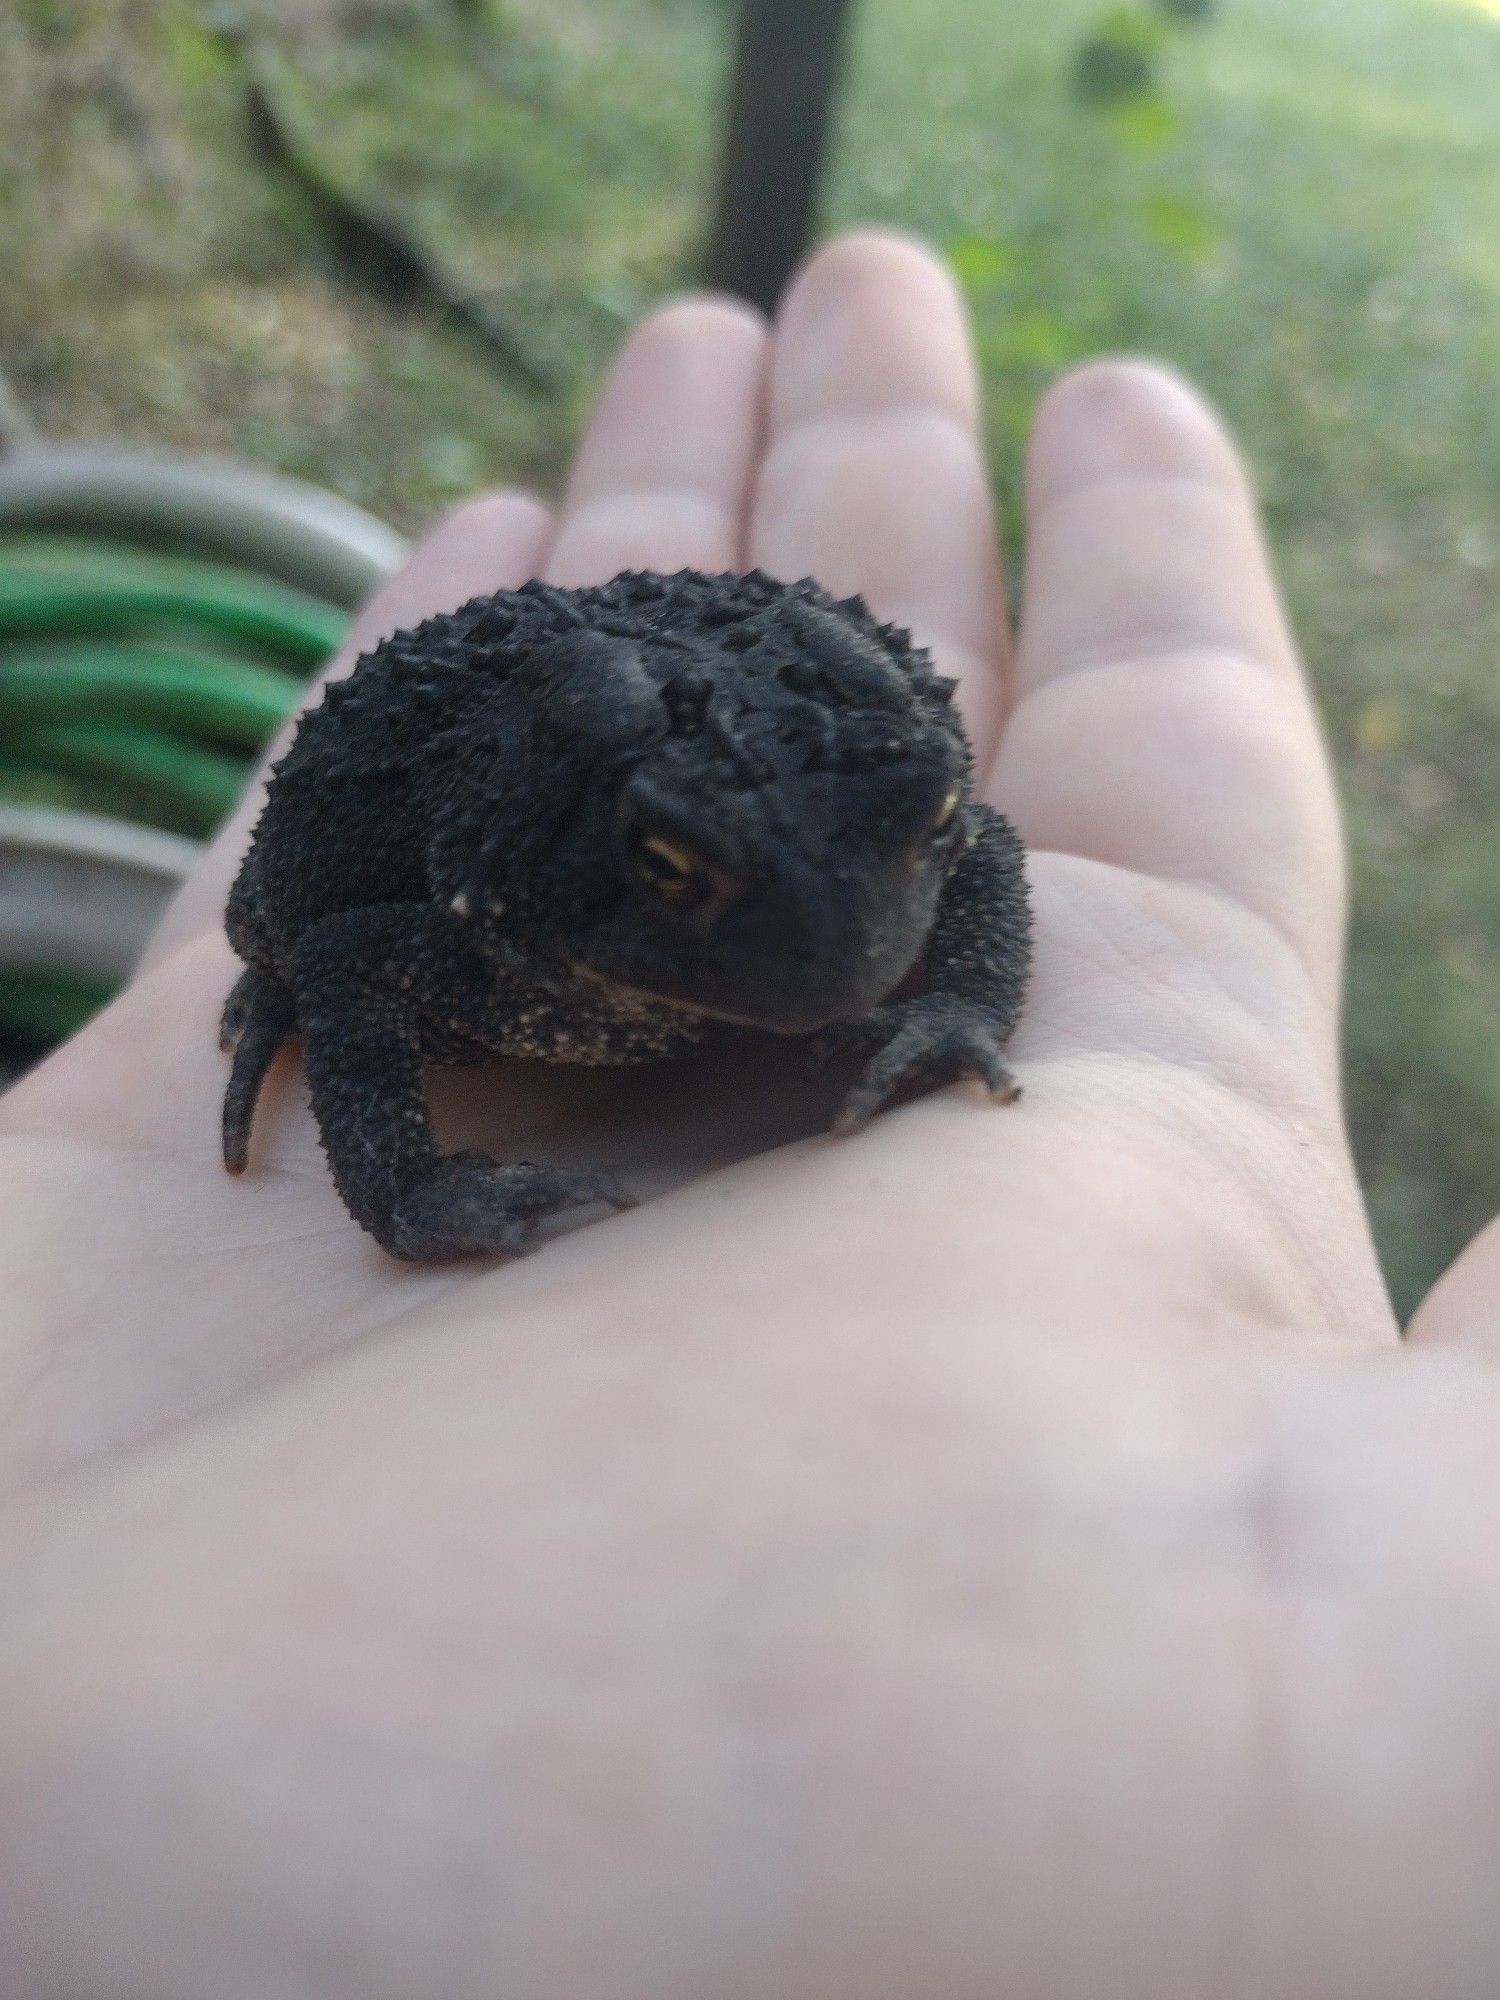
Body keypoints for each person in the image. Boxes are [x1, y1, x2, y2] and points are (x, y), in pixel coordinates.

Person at [1, 230, 1497, 1999]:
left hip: (747, 733)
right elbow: (346, 951)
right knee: (290, 902)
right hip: (487, 775)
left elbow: (988, 849)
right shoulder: (510, 914)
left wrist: (949, 996)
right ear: (635, 862)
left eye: (914, 842)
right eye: (688, 878)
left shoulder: (906, 833)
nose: (855, 942)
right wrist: (410, 1193)